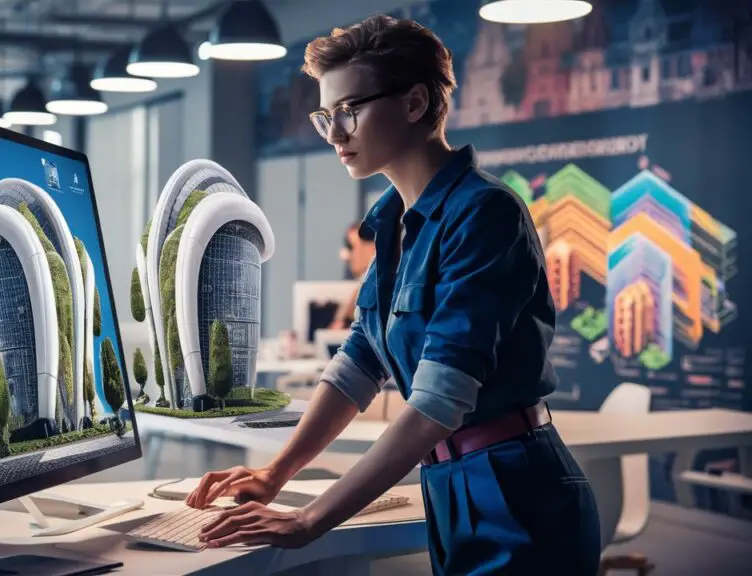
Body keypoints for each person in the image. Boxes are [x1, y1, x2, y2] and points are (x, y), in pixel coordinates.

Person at [185, 14, 602, 575]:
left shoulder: (485, 213)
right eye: (326, 117)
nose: (335, 134)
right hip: (447, 483)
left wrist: (312, 518)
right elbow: (359, 362)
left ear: (414, 104)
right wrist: (276, 473)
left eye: (349, 112)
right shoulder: (390, 222)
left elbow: (436, 402)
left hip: (518, 488)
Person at [330, 222, 376, 329]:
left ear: (372, 247)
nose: (347, 255)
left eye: (351, 246)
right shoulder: (361, 288)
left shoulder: (372, 290)